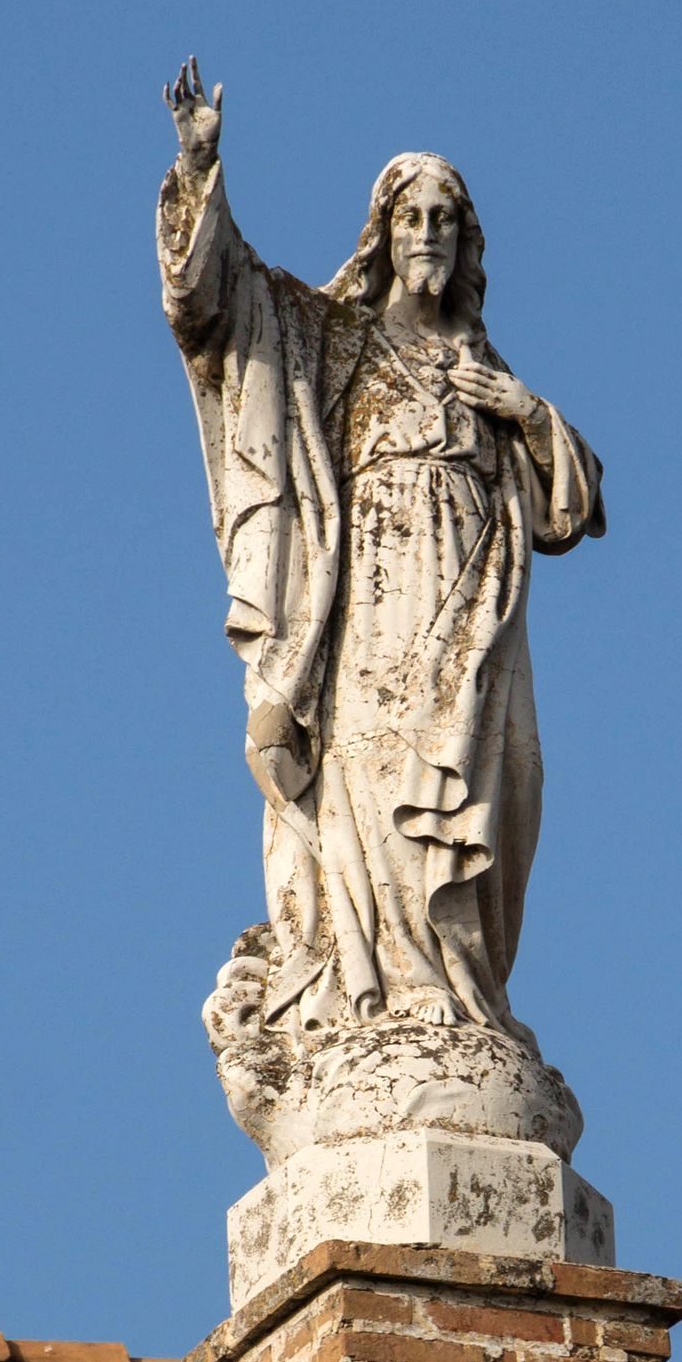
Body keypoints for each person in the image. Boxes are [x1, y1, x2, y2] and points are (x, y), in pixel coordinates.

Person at [159, 58, 603, 1049]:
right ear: (384, 234)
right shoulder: (335, 339)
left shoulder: (493, 375)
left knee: (502, 785)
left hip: (480, 599)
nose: (427, 234)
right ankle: (403, 995)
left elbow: (568, 511)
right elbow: (217, 310)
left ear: (470, 241)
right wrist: (197, 170)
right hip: (373, 595)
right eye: (411, 217)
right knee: (383, 776)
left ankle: (468, 988)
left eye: (446, 218)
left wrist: (526, 414)